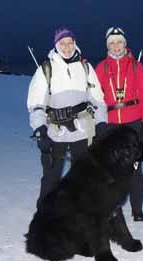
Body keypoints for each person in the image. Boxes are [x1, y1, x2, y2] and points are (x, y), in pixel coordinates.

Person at [27, 27, 108, 208]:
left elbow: (98, 100)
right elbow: (36, 104)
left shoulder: (85, 67)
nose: (67, 47)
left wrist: (101, 123)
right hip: (55, 132)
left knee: (84, 177)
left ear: (75, 44)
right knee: (51, 177)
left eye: (70, 43)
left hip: (82, 131)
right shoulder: (46, 69)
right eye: (62, 44)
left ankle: (80, 217)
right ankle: (45, 219)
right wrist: (40, 130)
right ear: (56, 45)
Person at [95, 27, 143, 222]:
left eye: (119, 42)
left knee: (135, 170)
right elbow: (96, 99)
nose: (116, 46)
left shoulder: (136, 66)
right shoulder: (101, 68)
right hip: (111, 125)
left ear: (125, 44)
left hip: (133, 125)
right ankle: (112, 209)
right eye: (112, 43)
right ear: (107, 46)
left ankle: (137, 209)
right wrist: (99, 124)